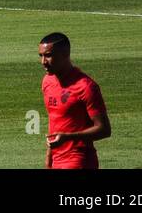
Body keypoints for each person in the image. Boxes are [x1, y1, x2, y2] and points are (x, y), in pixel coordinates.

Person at [39, 32, 111, 170]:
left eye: (48, 55)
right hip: (56, 160)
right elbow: (55, 123)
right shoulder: (47, 81)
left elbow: (104, 129)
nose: (43, 62)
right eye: (41, 56)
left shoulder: (86, 87)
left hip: (79, 160)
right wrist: (49, 157)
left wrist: (68, 138)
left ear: (65, 54)